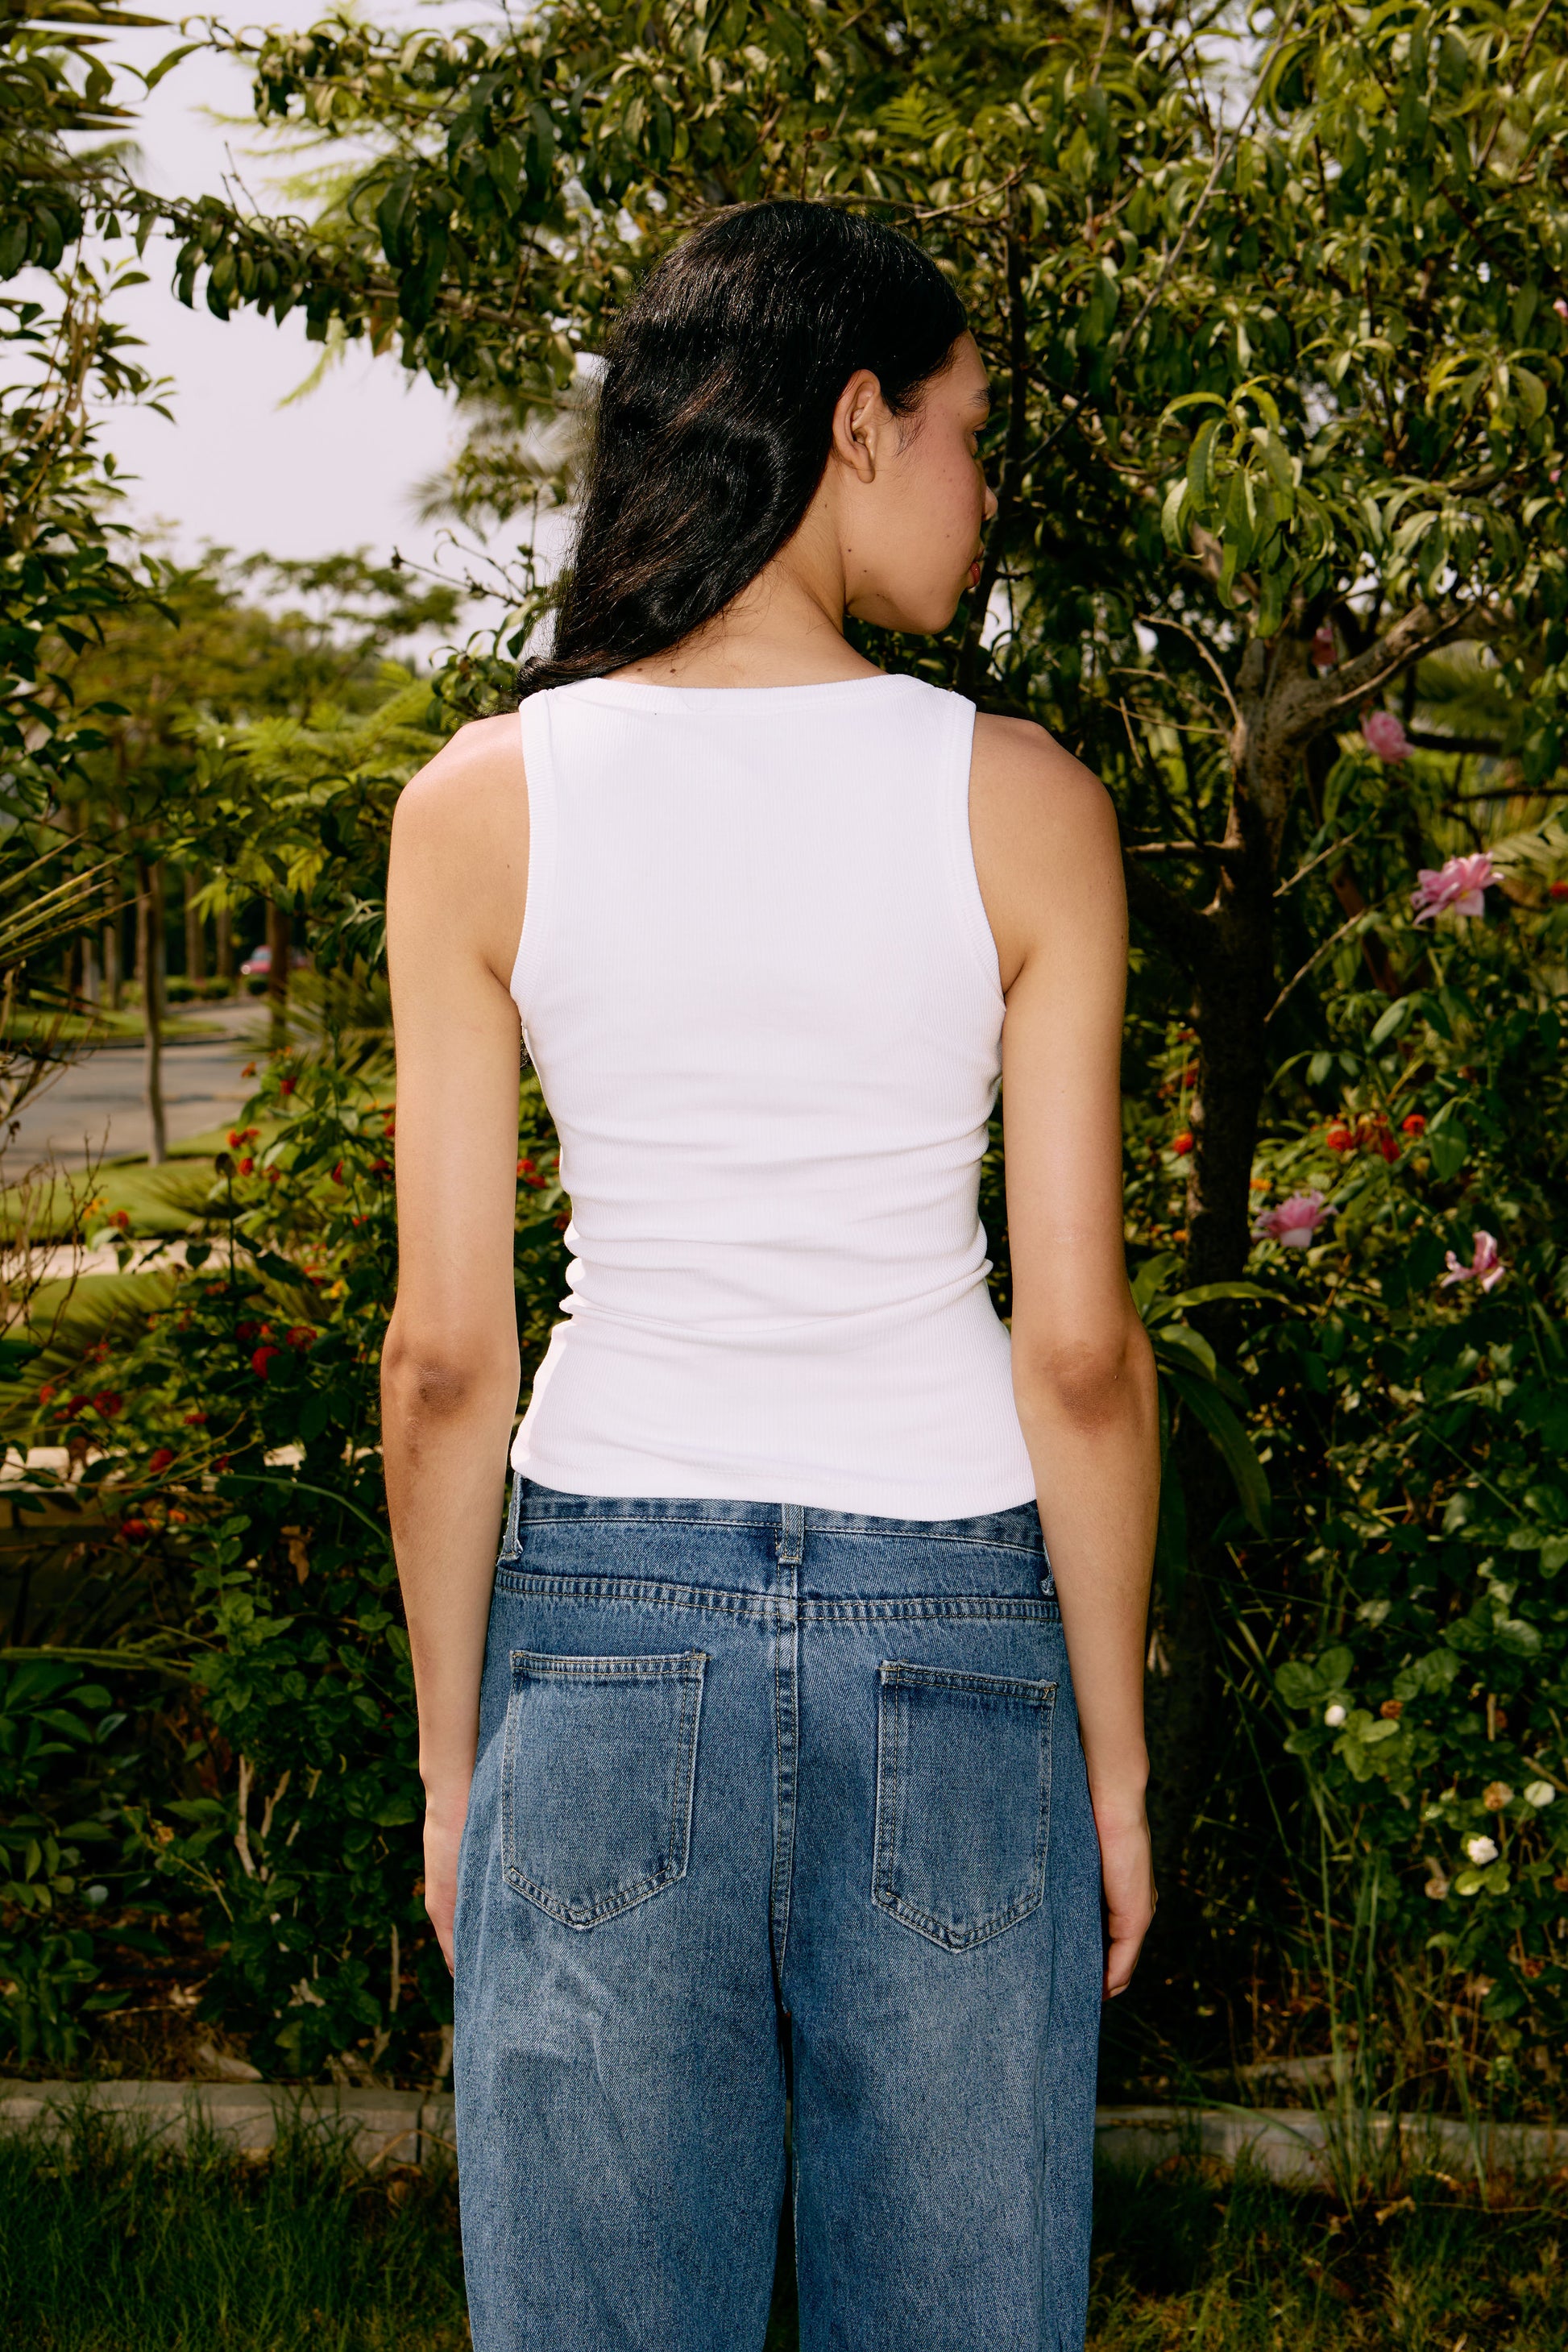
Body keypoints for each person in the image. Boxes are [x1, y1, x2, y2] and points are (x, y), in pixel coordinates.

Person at [381, 198, 1158, 2352]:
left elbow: (449, 1355)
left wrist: (460, 1767)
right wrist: (1108, 1763)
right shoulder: (1024, 807)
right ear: (854, 422)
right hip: (957, 1641)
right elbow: (1077, 1357)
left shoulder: (479, 803)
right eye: (965, 432)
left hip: (601, 1648)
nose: (980, 498)